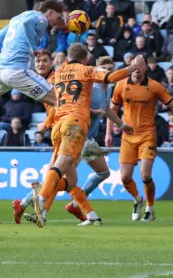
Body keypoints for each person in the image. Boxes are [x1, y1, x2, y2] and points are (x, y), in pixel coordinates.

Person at [32, 44, 145, 228]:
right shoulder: (86, 70)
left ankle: (77, 211)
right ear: (85, 59)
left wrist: (45, 124)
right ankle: (42, 199)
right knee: (61, 166)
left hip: (58, 124)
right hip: (75, 124)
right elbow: (112, 77)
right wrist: (134, 66)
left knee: (71, 180)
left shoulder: (59, 73)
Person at [14, 56, 128, 224]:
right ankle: (42, 208)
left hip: (84, 136)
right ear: (97, 69)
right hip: (74, 133)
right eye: (104, 68)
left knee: (88, 176)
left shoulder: (106, 89)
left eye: (111, 68)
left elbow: (105, 109)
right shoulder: (91, 85)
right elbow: (71, 105)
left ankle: (42, 203)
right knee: (60, 174)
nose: (108, 71)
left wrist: (121, 124)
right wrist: (46, 124)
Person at [107, 54, 173, 222]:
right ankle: (137, 200)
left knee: (145, 175)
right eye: (135, 67)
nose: (138, 70)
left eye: (141, 67)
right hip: (128, 136)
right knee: (125, 177)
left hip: (147, 135)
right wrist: (108, 132)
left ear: (146, 68)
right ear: (130, 67)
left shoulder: (154, 86)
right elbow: (112, 110)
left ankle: (150, 208)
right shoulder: (120, 85)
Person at [0, 0, 65, 136]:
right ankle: (85, 144)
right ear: (50, 12)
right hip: (17, 71)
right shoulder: (41, 18)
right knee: (61, 101)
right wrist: (34, 49)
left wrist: (10, 55)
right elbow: (27, 24)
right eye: (58, 18)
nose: (58, 22)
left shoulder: (17, 18)